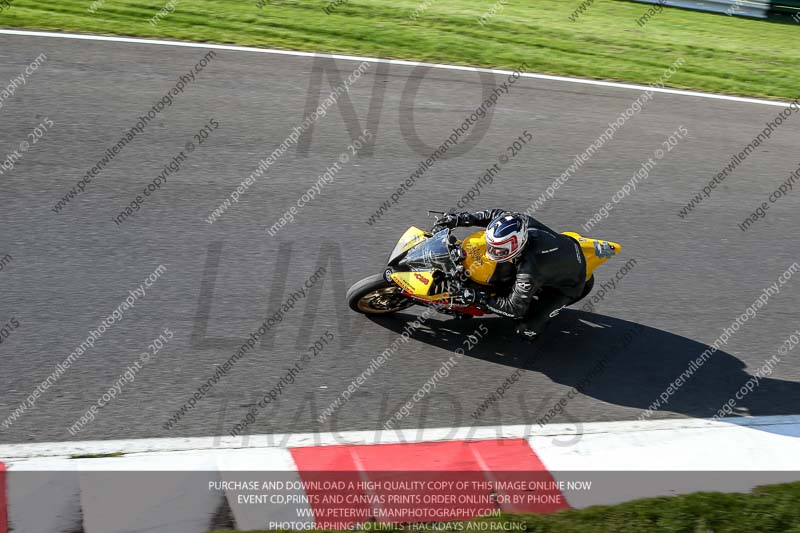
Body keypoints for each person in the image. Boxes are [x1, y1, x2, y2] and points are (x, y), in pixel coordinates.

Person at [434, 209, 587, 340]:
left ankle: (533, 332)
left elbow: (514, 308)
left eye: (497, 249)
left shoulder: (530, 271)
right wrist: (462, 219)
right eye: (491, 246)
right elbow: (495, 214)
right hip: (565, 245)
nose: (490, 252)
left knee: (525, 328)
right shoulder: (520, 222)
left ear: (516, 245)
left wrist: (477, 297)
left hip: (570, 284)